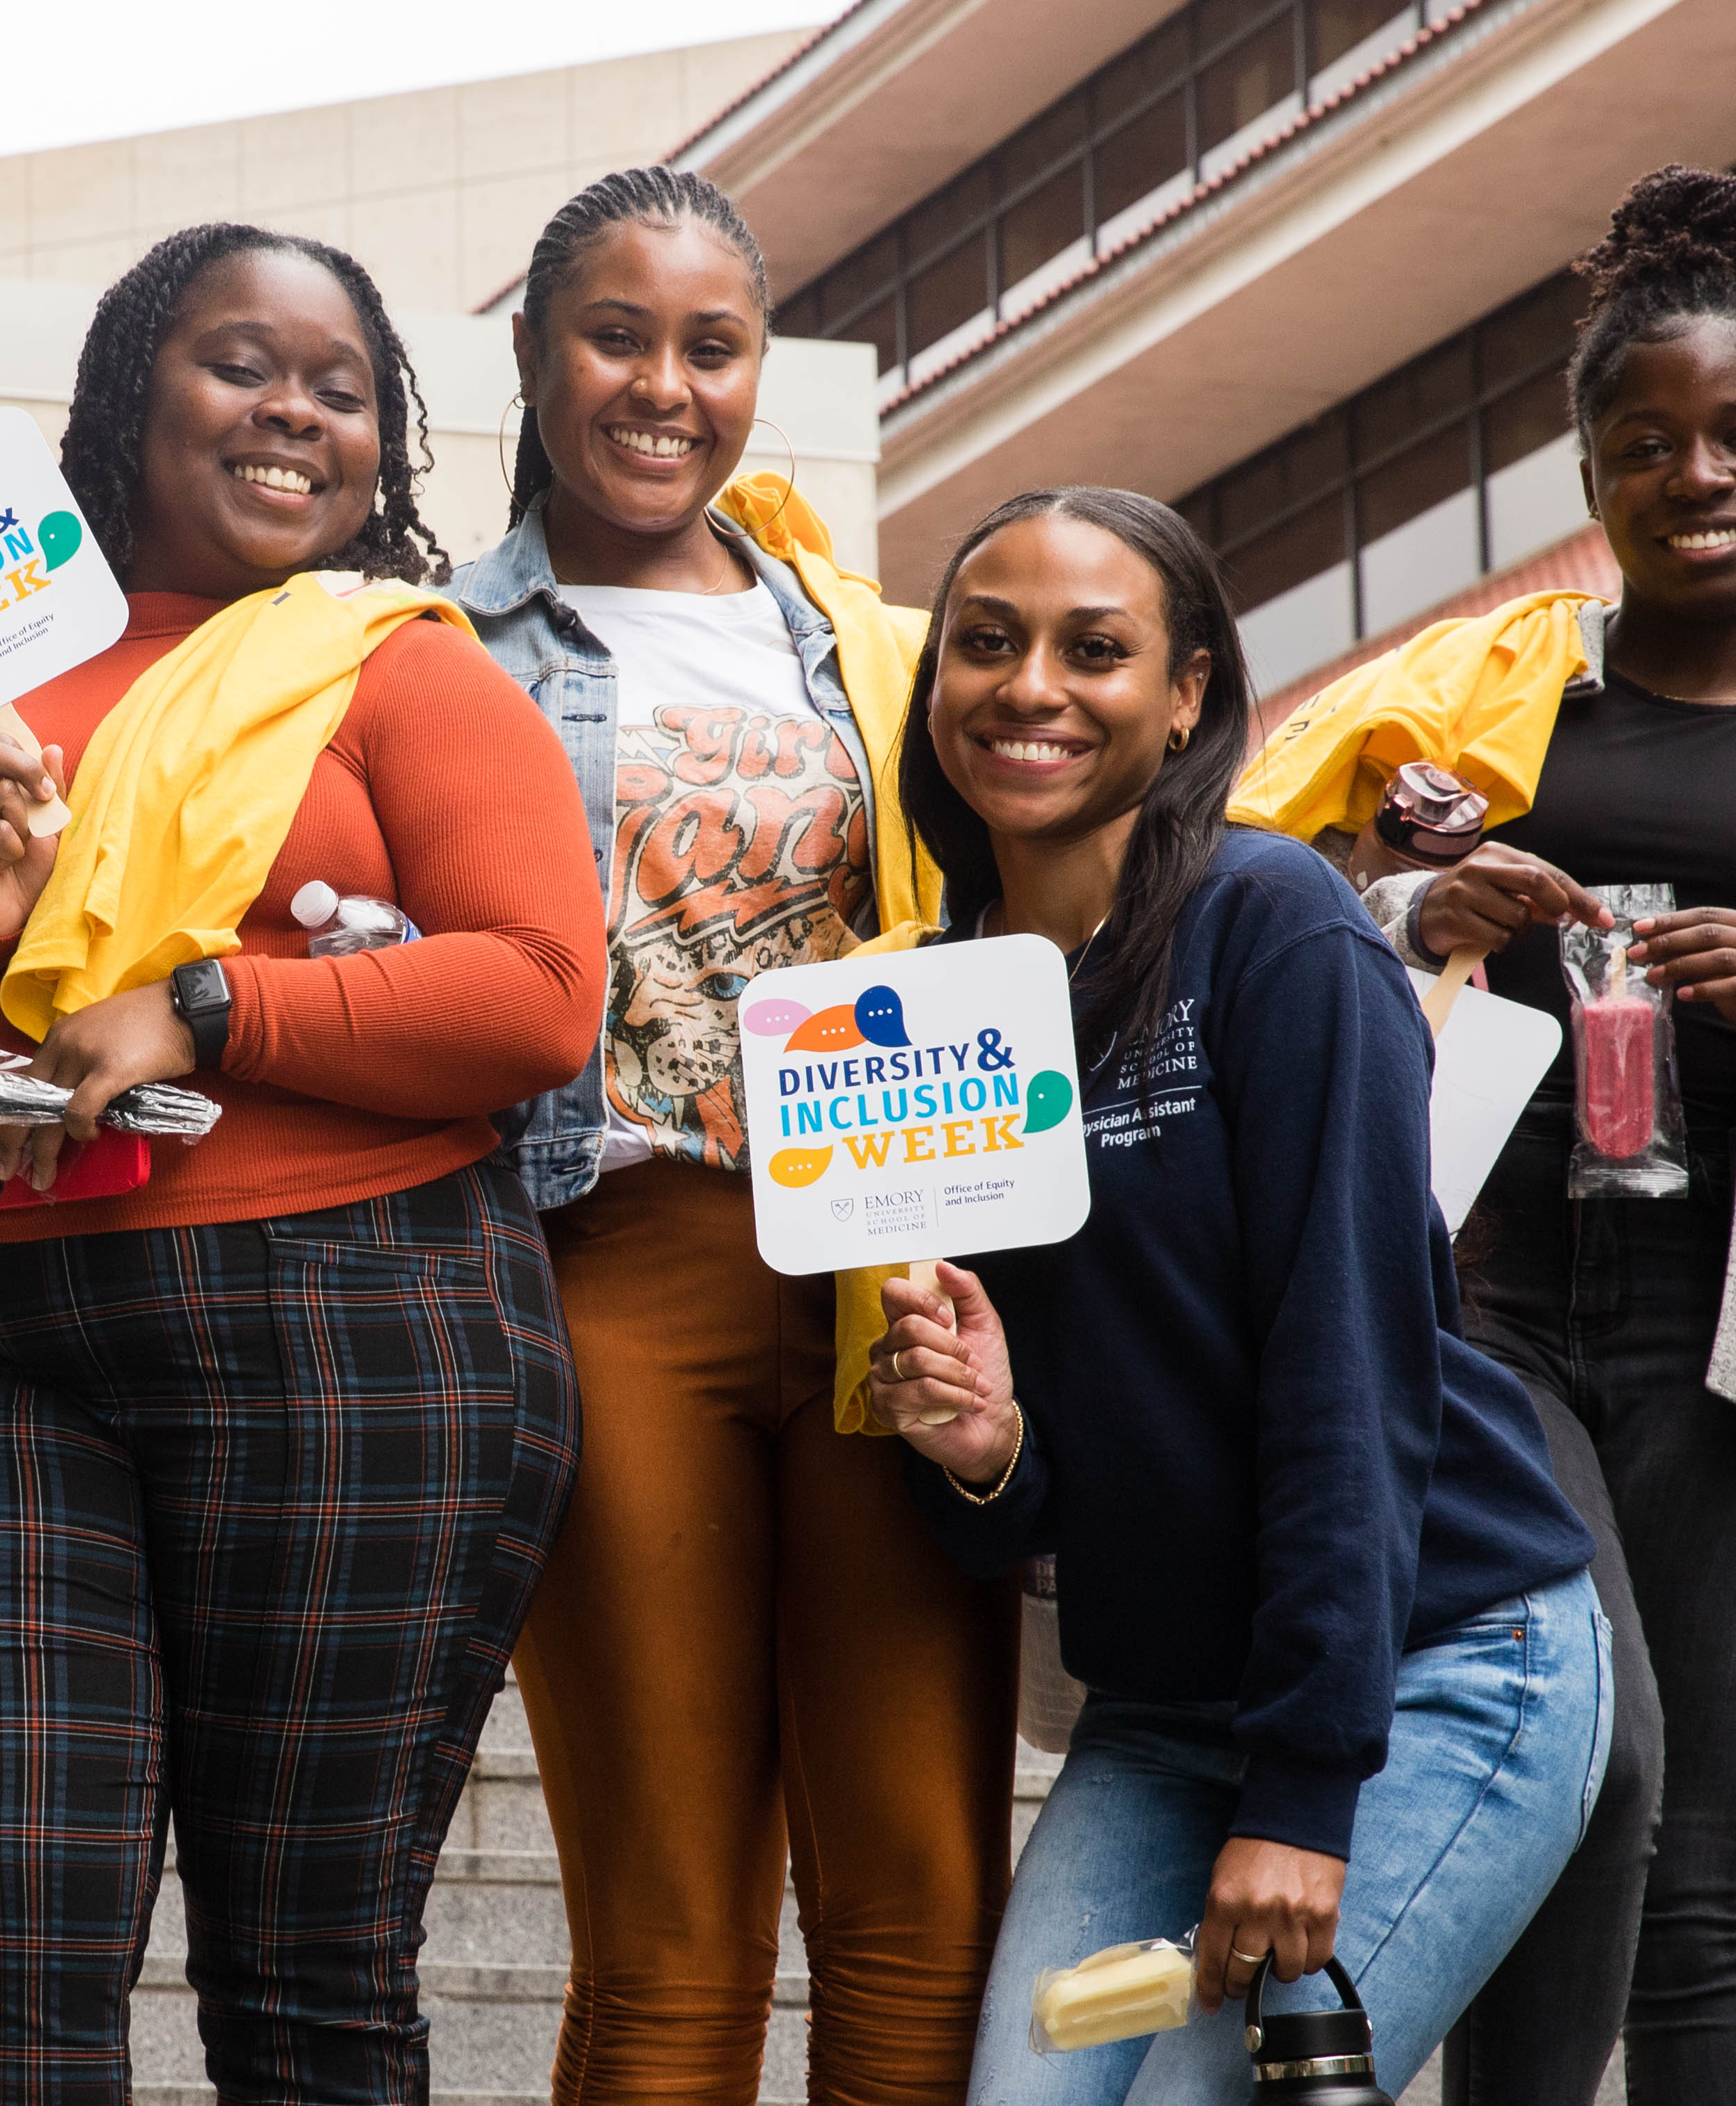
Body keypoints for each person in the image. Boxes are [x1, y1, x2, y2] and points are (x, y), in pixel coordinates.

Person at [0, 222, 603, 2100]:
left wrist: (206, 1008)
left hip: (364, 1334)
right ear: (128, 396)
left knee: (300, 1996)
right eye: (242, 362)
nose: (295, 409)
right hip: (28, 1351)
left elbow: (542, 995)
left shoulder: (401, 669)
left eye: (341, 385)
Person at [1323, 169, 1736, 2101]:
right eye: (1643, 443)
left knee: (1694, 1899)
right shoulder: (1485, 731)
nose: (1697, 473)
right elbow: (1299, 1025)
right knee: (1580, 1761)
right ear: (1586, 474)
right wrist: (1412, 923)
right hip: (1483, 1314)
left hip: (1733, 1362)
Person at [863, 485, 1613, 2102]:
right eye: (982, 644)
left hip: (1435, 1668)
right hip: (1151, 1702)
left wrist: (1296, 1788)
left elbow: (1343, 1373)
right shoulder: (933, 1006)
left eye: (1094, 648)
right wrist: (984, 1443)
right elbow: (1029, 1485)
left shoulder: (1273, 928)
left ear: (1187, 690)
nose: (1029, 686)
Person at [451, 167, 1012, 2103]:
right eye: (613, 335)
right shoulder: (432, 651)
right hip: (606, 1267)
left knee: (924, 1901)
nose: (659, 384)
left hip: (882, 1274)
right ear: (530, 357)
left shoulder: (875, 650)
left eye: (709, 344)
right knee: (677, 1926)